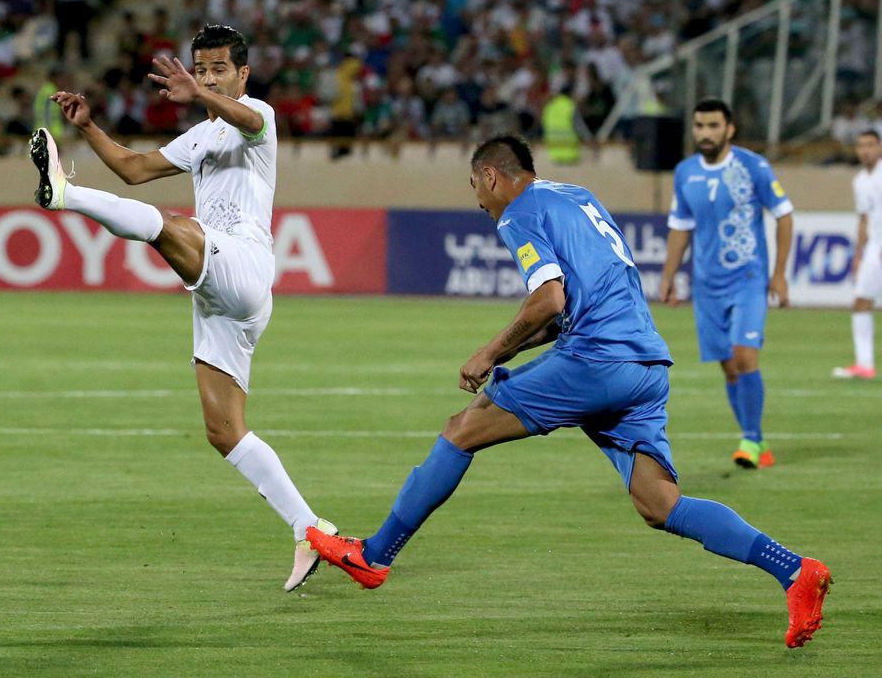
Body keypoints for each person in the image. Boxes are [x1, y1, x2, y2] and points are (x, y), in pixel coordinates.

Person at [306, 136, 831, 649]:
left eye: (475, 187)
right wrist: (513, 349)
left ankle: (375, 556)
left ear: (491, 176)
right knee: (659, 503)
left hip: (597, 360)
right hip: (646, 363)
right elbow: (575, 303)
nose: (478, 202)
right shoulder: (580, 197)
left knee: (460, 430)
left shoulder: (518, 213)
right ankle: (795, 571)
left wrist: (489, 353)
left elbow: (549, 300)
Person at [28, 25, 334, 591]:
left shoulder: (256, 117)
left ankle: (65, 194)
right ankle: (310, 528)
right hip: (221, 301)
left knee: (171, 227)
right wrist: (90, 127)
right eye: (201, 68)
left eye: (218, 69)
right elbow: (136, 168)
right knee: (225, 431)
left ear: (242, 73)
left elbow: (248, 122)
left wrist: (203, 96)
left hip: (243, 263)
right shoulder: (200, 137)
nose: (207, 76)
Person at [660, 98, 794, 469]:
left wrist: (779, 273)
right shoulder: (686, 172)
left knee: (744, 355)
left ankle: (749, 439)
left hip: (748, 277)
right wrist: (669, 277)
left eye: (713, 126)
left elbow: (784, 216)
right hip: (707, 286)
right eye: (699, 126)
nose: (705, 133)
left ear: (729, 129)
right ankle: (757, 440)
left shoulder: (753, 167)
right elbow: (680, 227)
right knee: (729, 366)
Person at [833, 129, 882, 379]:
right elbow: (864, 218)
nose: (865, 150)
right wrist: (858, 254)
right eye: (861, 145)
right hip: (874, 248)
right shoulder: (860, 181)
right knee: (861, 301)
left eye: (871, 145)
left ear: (880, 147)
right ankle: (864, 365)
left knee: (862, 301)